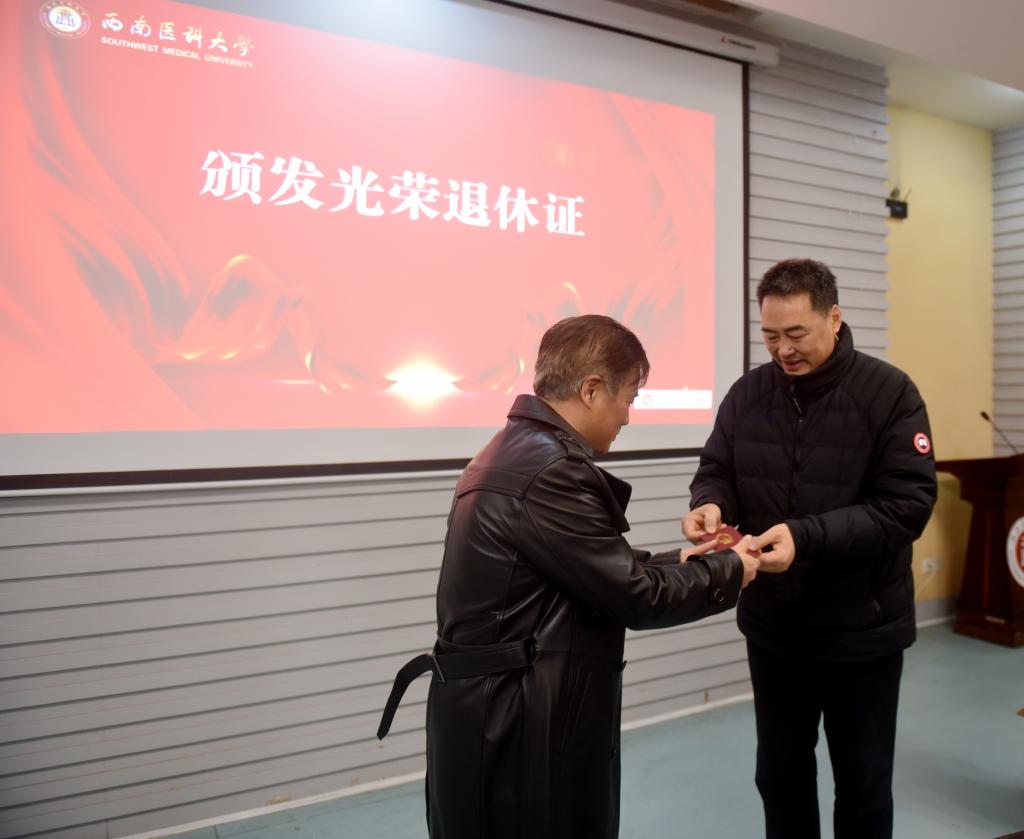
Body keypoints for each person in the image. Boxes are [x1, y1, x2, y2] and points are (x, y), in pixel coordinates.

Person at [378, 314, 760, 839]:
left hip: (492, 714)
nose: (627, 417)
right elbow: (636, 596)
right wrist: (733, 568)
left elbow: (586, 566)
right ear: (592, 389)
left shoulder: (512, 451)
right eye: (628, 398)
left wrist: (684, 560)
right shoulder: (551, 470)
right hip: (516, 726)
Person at [683, 258, 937, 839]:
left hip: (863, 634)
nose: (783, 350)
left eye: (796, 333)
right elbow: (716, 468)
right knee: (780, 778)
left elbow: (908, 506)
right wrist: (709, 503)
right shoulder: (748, 394)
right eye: (771, 335)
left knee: (863, 785)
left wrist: (806, 537)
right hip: (776, 631)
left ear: (835, 318)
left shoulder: (890, 394)